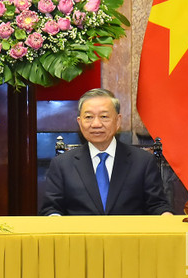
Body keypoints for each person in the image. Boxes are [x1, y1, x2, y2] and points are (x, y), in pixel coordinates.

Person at [40, 88, 173, 216]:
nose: (96, 124)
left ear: (118, 121)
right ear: (80, 123)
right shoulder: (62, 164)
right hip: (81, 238)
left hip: (127, 237)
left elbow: (157, 205)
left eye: (104, 116)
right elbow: (51, 208)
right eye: (89, 117)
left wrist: (165, 215)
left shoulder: (143, 161)